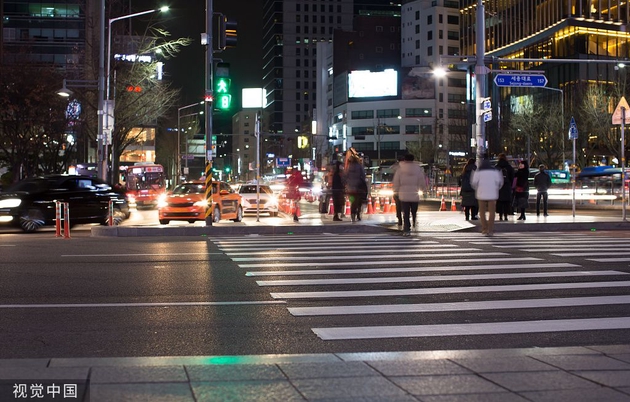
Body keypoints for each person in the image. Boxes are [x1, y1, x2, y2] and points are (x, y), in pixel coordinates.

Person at [393, 153, 427, 236]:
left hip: (404, 194)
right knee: (414, 211)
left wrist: (396, 190)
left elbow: (396, 181)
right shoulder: (417, 169)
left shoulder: (400, 169)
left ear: (405, 160)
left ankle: (407, 228)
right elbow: (421, 180)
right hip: (414, 193)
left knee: (406, 213)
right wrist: (424, 190)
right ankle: (414, 221)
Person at [471, 158, 504, 236]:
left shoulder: (478, 171)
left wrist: (477, 189)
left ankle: (484, 229)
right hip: (492, 194)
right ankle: (490, 229)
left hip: (481, 193)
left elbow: (474, 182)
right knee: (492, 212)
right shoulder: (495, 172)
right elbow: (500, 182)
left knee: (482, 212)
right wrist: (496, 189)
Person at [344, 150, 367, 222]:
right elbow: (363, 176)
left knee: (352, 202)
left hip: (350, 189)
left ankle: (352, 215)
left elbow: (345, 176)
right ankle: (358, 214)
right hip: (358, 187)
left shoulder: (348, 167)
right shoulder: (359, 166)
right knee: (359, 201)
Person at [495, 153, 514, 221]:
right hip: (507, 186)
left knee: (500, 202)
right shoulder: (509, 167)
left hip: (499, 187)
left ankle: (500, 216)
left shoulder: (497, 167)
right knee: (506, 202)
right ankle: (506, 215)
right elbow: (512, 177)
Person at [391, 155, 405, 226]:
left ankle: (399, 218)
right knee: (405, 205)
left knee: (398, 205)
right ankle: (405, 217)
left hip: (397, 191)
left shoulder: (396, 168)